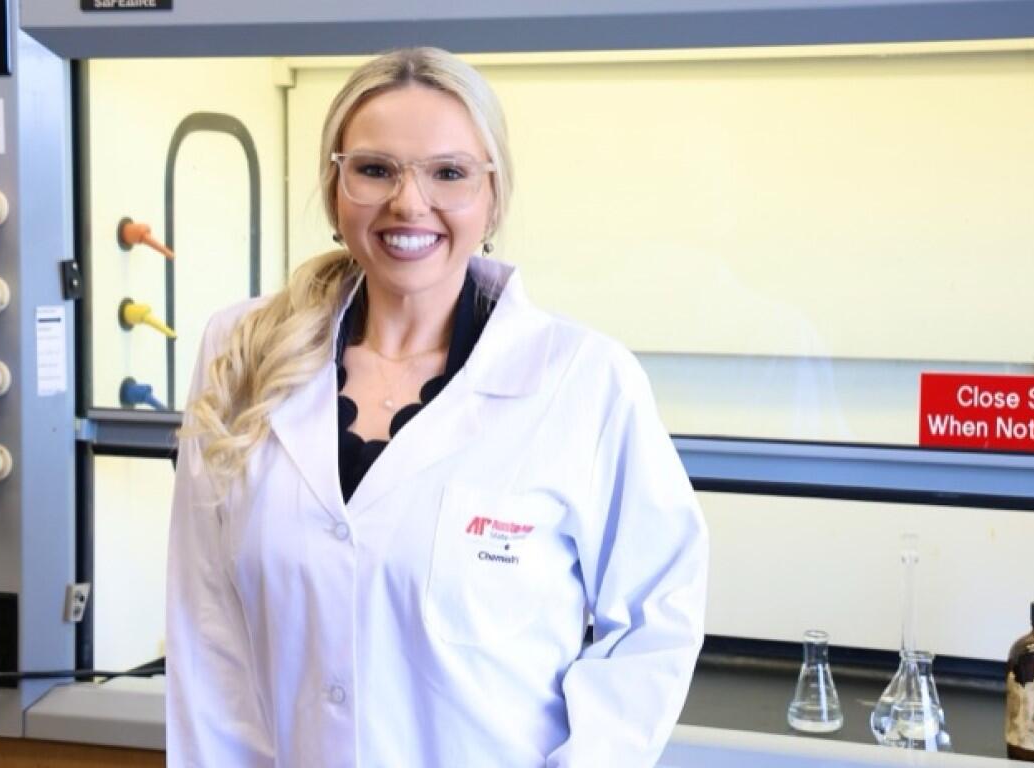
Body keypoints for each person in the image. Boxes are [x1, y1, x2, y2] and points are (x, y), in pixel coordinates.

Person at [166, 47, 708, 768]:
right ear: (335, 188)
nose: (408, 203)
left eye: (448, 172)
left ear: (493, 198)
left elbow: (654, 620)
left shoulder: (584, 381)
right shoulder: (239, 351)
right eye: (375, 169)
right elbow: (207, 626)